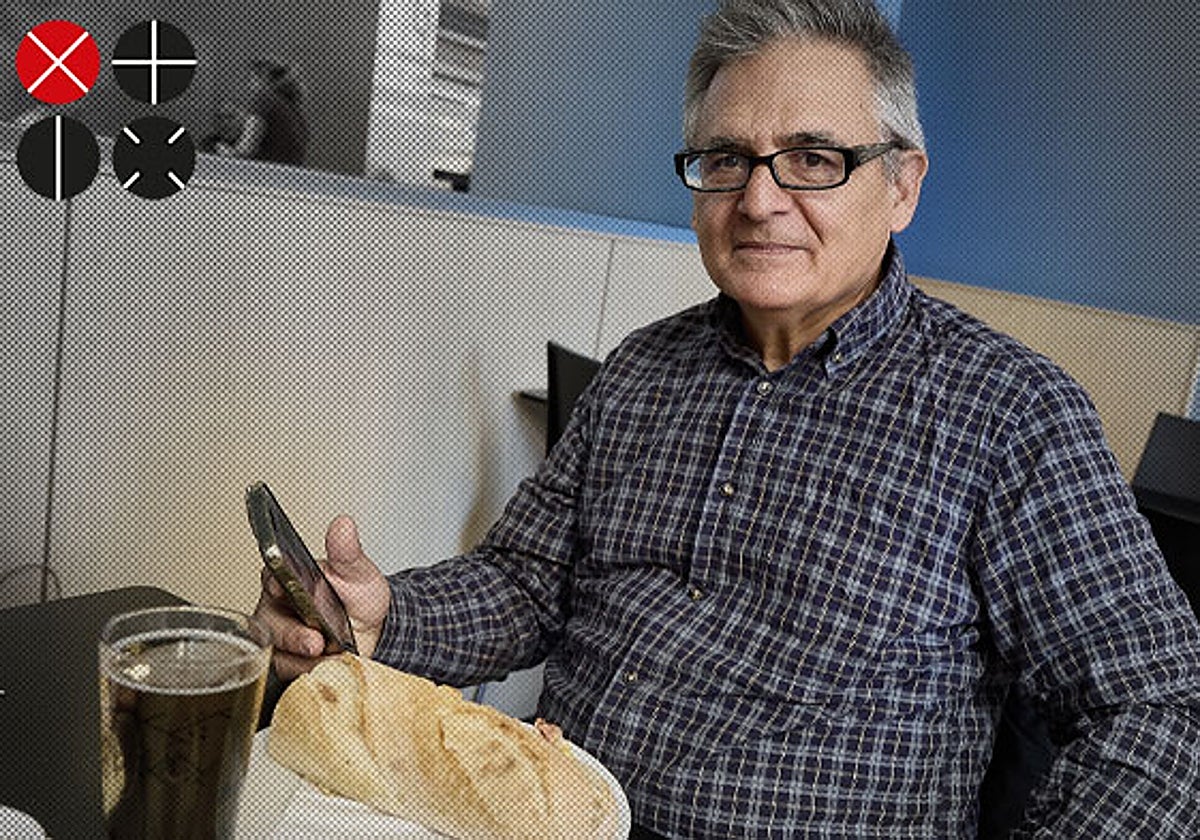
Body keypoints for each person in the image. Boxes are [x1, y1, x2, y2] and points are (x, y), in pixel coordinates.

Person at [256, 0, 1200, 837]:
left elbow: (1162, 708)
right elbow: (528, 582)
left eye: (814, 160)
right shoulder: (641, 370)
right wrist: (383, 617)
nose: (758, 200)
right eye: (726, 160)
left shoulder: (1010, 416)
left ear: (902, 185)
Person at [213, 59, 307, 165]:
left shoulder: (263, 100)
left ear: (262, 77)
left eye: (251, 78)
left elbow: (244, 151)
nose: (249, 85)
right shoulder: (296, 113)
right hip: (291, 177)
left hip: (267, 174)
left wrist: (222, 150)